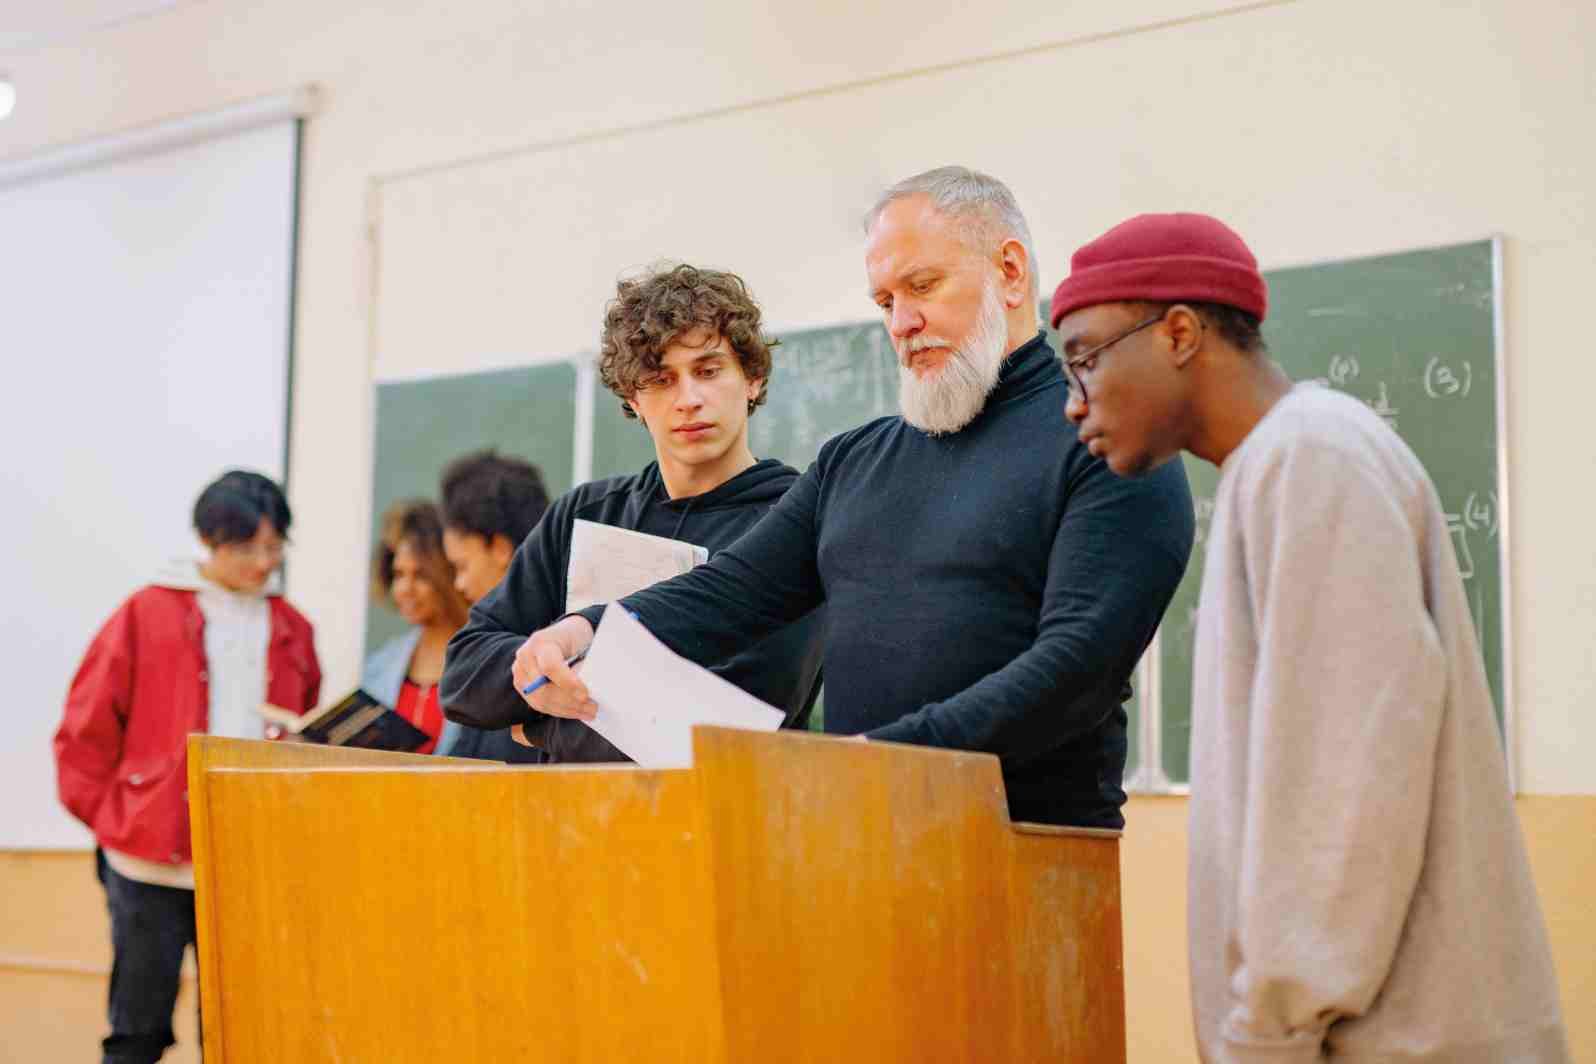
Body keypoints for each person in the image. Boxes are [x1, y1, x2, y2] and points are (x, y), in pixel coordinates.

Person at [506, 168, 1194, 828]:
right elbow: (730, 593)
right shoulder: (855, 461)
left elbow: (1075, 670)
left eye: (922, 286)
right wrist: (585, 630)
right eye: (885, 302)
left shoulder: (1108, 441)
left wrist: (879, 760)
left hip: (1023, 849)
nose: (902, 322)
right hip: (858, 835)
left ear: (1010, 272)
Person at [1050, 212, 1569, 1061]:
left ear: (1178, 333)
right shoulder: (1280, 463)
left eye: (1085, 358)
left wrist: (1270, 1030)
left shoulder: (1310, 459)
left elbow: (1348, 788)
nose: (1074, 402)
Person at [441, 264, 825, 762]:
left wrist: (540, 729)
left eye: (708, 371)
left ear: (752, 378)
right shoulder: (586, 514)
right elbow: (464, 674)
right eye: (661, 380)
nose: (688, 399)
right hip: (571, 809)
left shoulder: (797, 521)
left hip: (720, 805)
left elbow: (730, 719)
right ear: (632, 397)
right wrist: (556, 677)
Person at [54, 470, 321, 1064]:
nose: (263, 562)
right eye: (246, 547)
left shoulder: (293, 627)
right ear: (207, 540)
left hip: (248, 863)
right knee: (137, 1032)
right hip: (146, 864)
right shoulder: (144, 613)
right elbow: (84, 732)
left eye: (274, 546)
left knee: (239, 1035)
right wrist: (119, 821)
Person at [433, 450, 552, 762]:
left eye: (462, 566)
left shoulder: (542, 653)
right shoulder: (487, 652)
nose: (459, 584)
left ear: (499, 548)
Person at [363, 499, 471, 755]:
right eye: (399, 574)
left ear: (449, 574)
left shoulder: (484, 661)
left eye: (420, 575)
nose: (404, 589)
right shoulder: (380, 665)